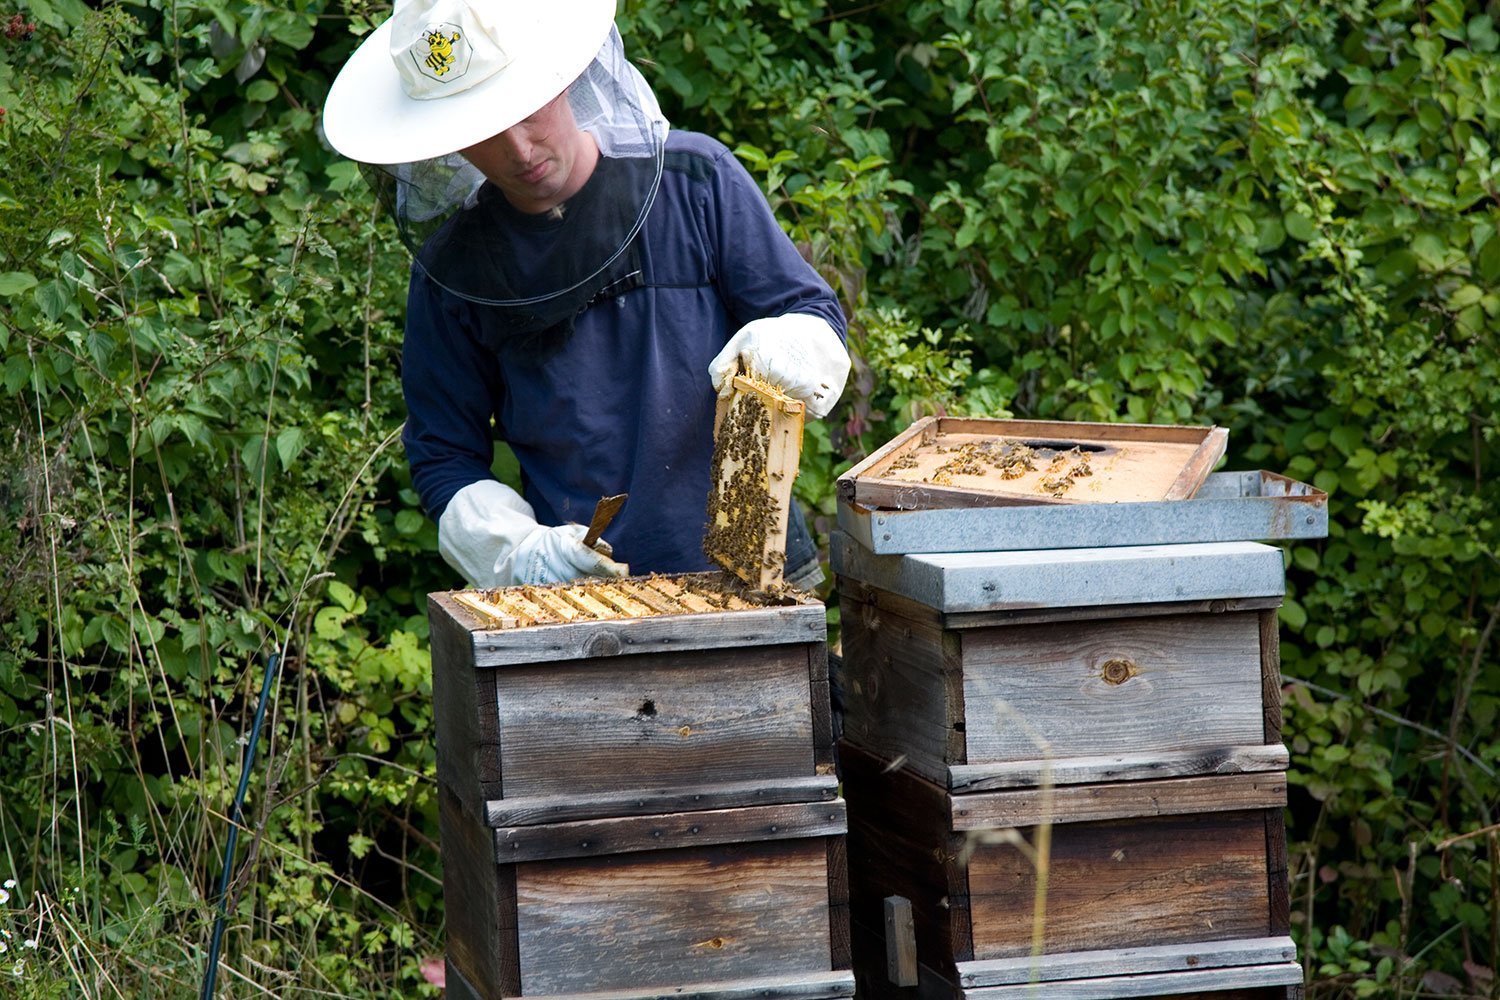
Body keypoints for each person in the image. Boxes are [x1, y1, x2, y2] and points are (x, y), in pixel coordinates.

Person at [322, 0, 850, 590]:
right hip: (584, 600)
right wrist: (519, 551)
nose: (519, 151)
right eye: (483, 134)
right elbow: (445, 454)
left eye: (526, 113)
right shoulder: (455, 270)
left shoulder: (696, 181)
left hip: (756, 569)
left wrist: (791, 342)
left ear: (564, 79)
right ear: (450, 144)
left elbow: (813, 312)